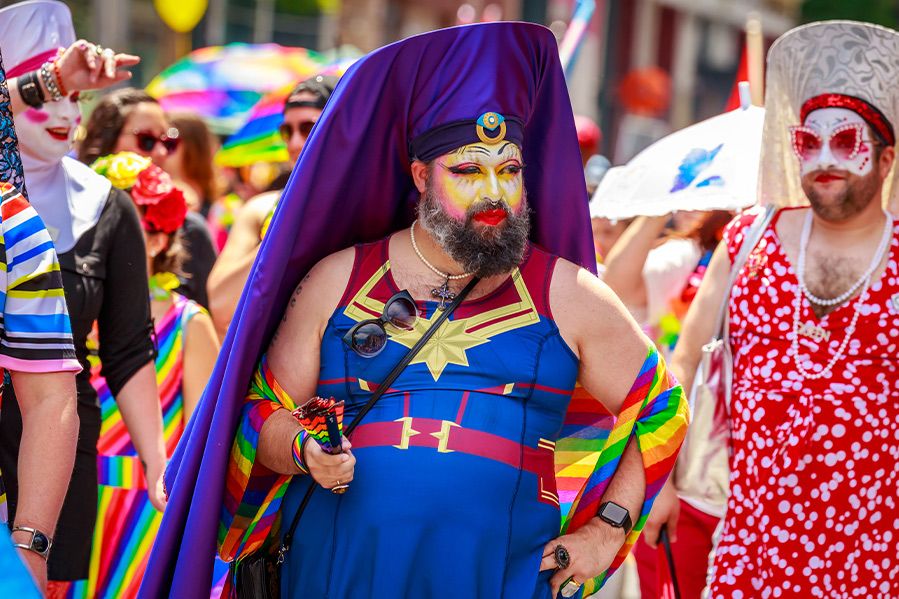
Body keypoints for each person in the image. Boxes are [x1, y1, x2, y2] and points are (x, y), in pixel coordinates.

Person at [143, 23, 689, 599]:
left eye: (509, 171)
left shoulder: (569, 293)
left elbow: (663, 407)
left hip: (496, 581)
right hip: (333, 575)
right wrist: (304, 450)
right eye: (468, 171)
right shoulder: (339, 278)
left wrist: (608, 532)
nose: (495, 194)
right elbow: (259, 413)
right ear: (421, 176)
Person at [652, 20, 899, 597]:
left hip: (875, 560)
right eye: (809, 143)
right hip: (750, 549)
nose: (825, 160)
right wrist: (659, 476)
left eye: (847, 143)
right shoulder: (746, 241)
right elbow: (682, 364)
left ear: (885, 159)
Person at [0, 2, 166, 593]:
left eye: (77, 95)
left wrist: (156, 459)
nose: (65, 109)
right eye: (49, 87)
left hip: (57, 441)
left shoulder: (105, 204)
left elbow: (127, 348)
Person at [59, 152, 219, 598]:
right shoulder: (61, 312)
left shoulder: (190, 325)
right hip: (60, 495)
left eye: (139, 225)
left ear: (162, 239)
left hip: (142, 510)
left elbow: (203, 440)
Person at [207, 74, 337, 338]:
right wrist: (287, 222)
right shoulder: (262, 209)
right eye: (287, 131)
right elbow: (222, 306)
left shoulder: (375, 205)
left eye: (308, 127)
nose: (294, 143)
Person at [79, 88, 217, 309]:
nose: (162, 153)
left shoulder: (191, 231)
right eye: (147, 140)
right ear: (106, 141)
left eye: (168, 141)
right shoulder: (69, 218)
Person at [602, 211, 732, 356]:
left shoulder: (747, 243)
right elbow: (619, 289)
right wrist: (659, 207)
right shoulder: (686, 250)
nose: (689, 208)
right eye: (683, 191)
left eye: (707, 191)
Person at [163, 111, 221, 216]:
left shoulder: (222, 204)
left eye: (168, 143)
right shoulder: (152, 193)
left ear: (194, 148)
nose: (159, 150)